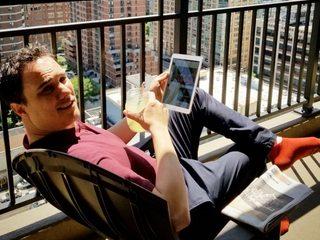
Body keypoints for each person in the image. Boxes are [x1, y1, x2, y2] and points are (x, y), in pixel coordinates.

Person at [0, 45, 319, 239]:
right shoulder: (91, 163)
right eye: (47, 89)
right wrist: (158, 128)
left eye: (62, 78)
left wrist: (139, 116)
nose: (65, 91)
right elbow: (176, 216)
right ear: (19, 108)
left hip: (159, 173)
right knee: (250, 154)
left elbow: (105, 143)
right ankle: (266, 212)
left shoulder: (50, 140)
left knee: (187, 96)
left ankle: (275, 143)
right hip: (190, 206)